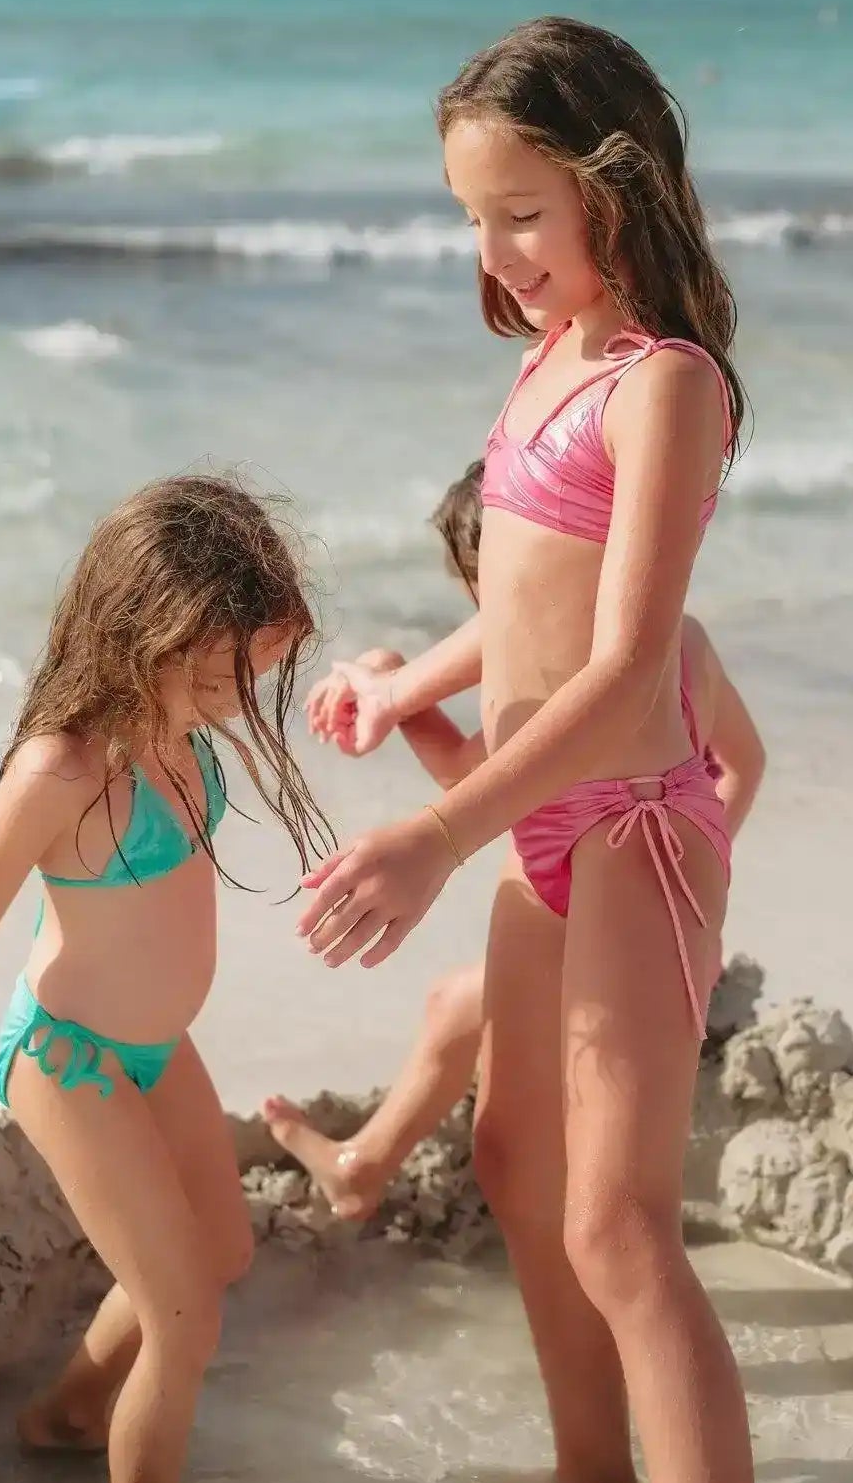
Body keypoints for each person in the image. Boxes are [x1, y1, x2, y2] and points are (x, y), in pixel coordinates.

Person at [295, 17, 757, 1483]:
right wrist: (402, 685)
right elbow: (520, 609)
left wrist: (433, 835)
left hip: (630, 822)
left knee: (621, 1230)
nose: (494, 252)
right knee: (511, 1154)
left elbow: (626, 673)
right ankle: (590, 1480)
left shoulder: (663, 382)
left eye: (520, 214)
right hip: (546, 821)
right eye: (470, 221)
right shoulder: (549, 360)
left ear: (614, 191)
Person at [0, 473, 330, 1483]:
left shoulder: (180, 737)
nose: (244, 698)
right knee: (185, 1323)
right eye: (230, 675)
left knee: (219, 1256)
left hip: (158, 1047)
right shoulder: (63, 768)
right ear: (154, 632)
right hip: (71, 1059)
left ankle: (68, 1412)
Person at [266, 461, 764, 1227]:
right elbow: (745, 762)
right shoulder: (682, 639)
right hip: (666, 906)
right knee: (455, 1007)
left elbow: (473, 782)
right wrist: (695, 877)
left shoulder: (553, 672)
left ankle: (365, 1167)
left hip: (602, 918)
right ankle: (364, 1162)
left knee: (476, 1042)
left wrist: (398, 688)